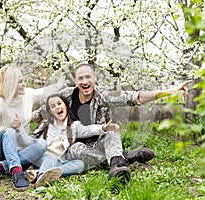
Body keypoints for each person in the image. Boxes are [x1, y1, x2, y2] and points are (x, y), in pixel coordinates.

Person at [32, 63, 193, 181]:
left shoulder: (102, 96)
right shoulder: (66, 96)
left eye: (88, 77)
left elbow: (134, 97)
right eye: (80, 78)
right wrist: (24, 120)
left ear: (94, 79)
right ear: (75, 81)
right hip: (72, 146)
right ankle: (122, 156)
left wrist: (170, 91)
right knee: (77, 149)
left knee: (112, 130)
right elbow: (43, 111)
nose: (85, 81)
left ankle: (117, 166)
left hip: (98, 143)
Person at [27, 94, 120, 188]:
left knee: (80, 164)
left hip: (61, 160)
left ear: (65, 106)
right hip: (44, 158)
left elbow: (88, 129)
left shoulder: (74, 126)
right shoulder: (46, 125)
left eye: (59, 103)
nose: (57, 107)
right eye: (53, 106)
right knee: (52, 154)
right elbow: (33, 139)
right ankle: (40, 178)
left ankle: (43, 173)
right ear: (50, 112)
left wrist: (103, 127)